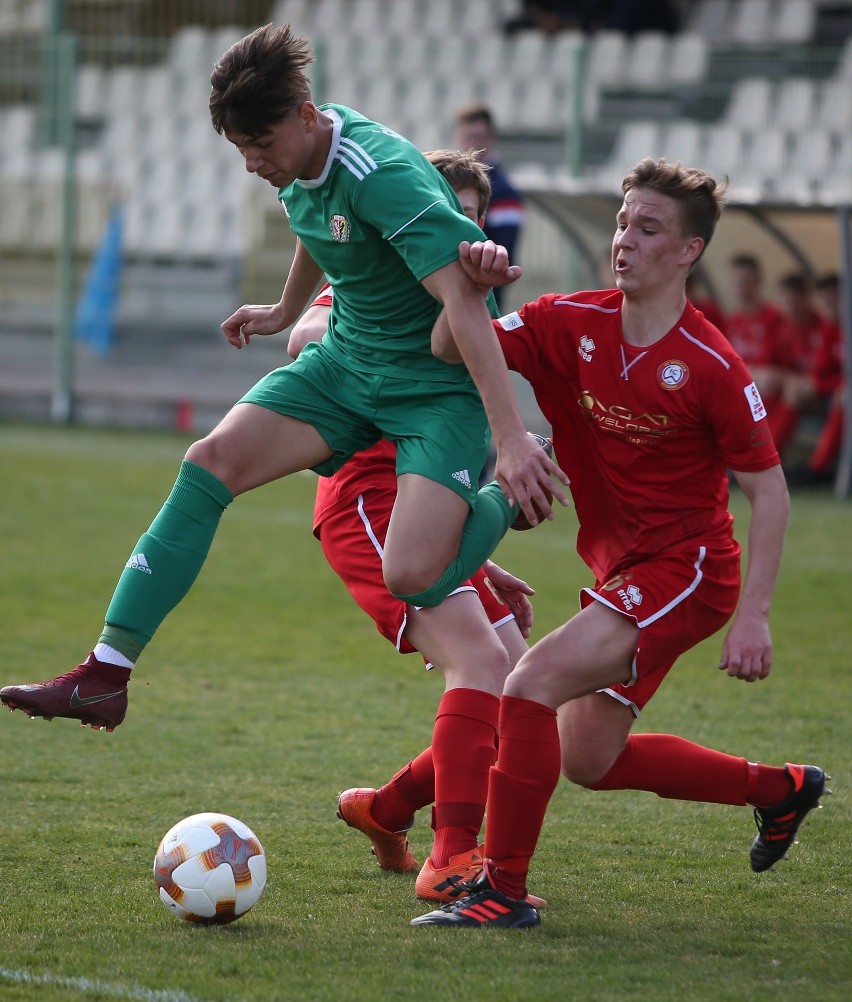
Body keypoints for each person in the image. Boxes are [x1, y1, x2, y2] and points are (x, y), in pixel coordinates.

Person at [0, 24, 568, 732]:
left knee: (413, 577)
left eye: (260, 146)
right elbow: (318, 225)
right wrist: (285, 308)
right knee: (209, 463)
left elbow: (464, 302)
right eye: (241, 150)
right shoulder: (299, 160)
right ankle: (106, 674)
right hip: (346, 363)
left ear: (305, 116)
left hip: (429, 395)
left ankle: (497, 508)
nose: (251, 164)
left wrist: (511, 440)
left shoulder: (381, 173)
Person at [413, 158, 828, 928]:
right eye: (621, 222)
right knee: (588, 760)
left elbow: (769, 491)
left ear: (687, 253)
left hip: (689, 568)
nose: (624, 240)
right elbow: (447, 346)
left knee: (528, 683)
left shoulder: (711, 366)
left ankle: (500, 889)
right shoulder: (569, 321)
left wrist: (756, 617)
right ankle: (781, 789)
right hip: (624, 567)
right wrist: (467, 285)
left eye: (647, 228)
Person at [288, 148, 542, 904]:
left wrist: (473, 557)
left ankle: (387, 808)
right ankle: (453, 858)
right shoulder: (369, 291)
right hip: (366, 505)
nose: (453, 231)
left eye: (468, 217)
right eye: (440, 212)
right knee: (483, 664)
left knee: (526, 693)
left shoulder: (469, 302)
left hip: (425, 513)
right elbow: (306, 337)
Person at [452, 103, 524, 311]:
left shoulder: (504, 192)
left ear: (491, 139)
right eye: (467, 136)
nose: (472, 144)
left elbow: (503, 254)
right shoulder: (448, 182)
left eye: (479, 137)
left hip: (481, 302)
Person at [765, 272, 834, 464]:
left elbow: (827, 370)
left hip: (825, 392)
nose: (791, 308)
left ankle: (767, 459)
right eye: (786, 302)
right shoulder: (782, 329)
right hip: (801, 389)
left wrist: (811, 383)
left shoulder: (824, 326)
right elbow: (772, 365)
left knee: (792, 392)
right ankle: (752, 457)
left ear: (807, 300)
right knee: (768, 389)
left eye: (795, 301)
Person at [788, 273, 846, 486]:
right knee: (792, 391)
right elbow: (820, 372)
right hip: (833, 395)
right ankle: (762, 462)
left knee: (843, 397)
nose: (829, 307)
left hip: (840, 397)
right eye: (825, 302)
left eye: (834, 301)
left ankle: (817, 469)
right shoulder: (829, 328)